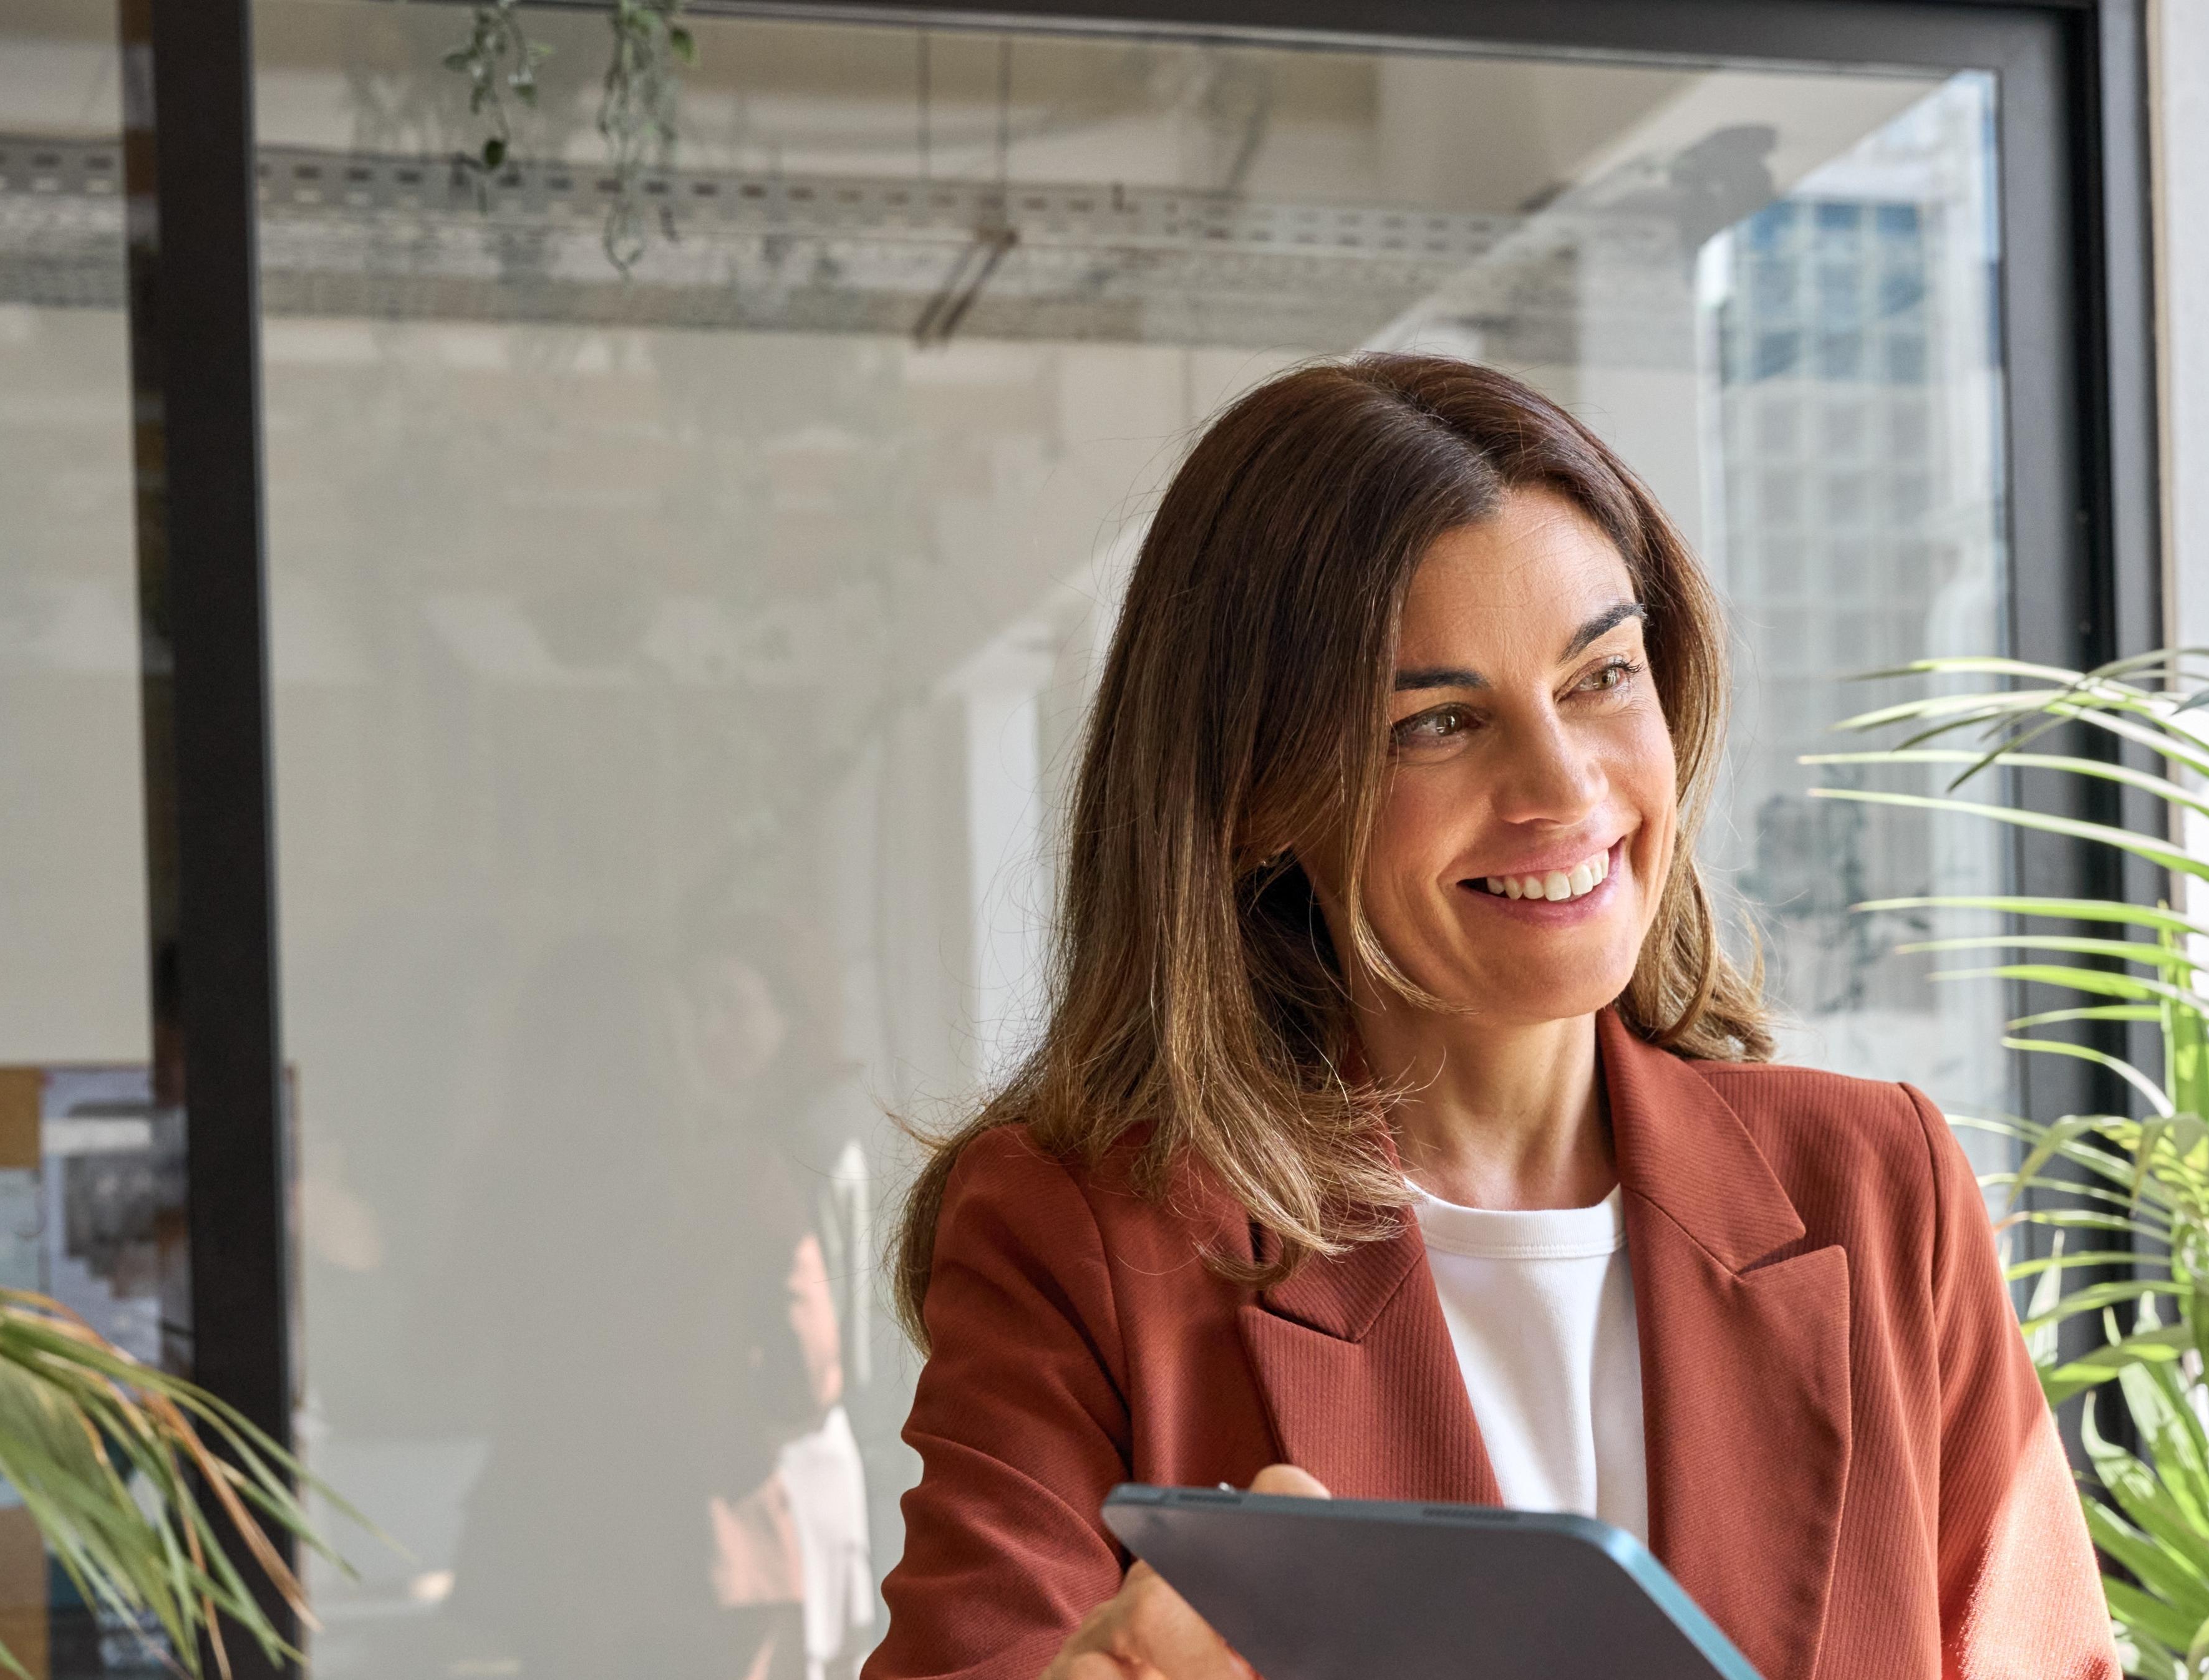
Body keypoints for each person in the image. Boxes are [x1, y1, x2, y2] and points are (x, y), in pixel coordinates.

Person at [864, 355, 2113, 1680]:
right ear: (1260, 801)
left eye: (1599, 678)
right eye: (1438, 724)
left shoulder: (1876, 1190)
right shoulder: (1087, 1237)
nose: (1563, 786)